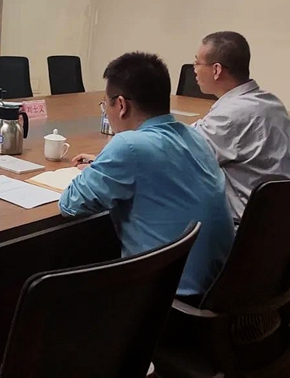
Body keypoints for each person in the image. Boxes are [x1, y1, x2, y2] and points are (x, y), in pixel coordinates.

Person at [60, 52, 234, 299]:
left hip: (168, 300)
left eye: (105, 104)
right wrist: (104, 166)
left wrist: (101, 169)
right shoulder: (194, 136)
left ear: (121, 105)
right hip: (221, 288)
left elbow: (70, 204)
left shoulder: (128, 147)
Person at [193, 31, 290, 222]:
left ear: (217, 70)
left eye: (197, 62)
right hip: (278, 222)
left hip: (242, 226)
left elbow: (183, 154)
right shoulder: (273, 103)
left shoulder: (230, 116)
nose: (194, 69)